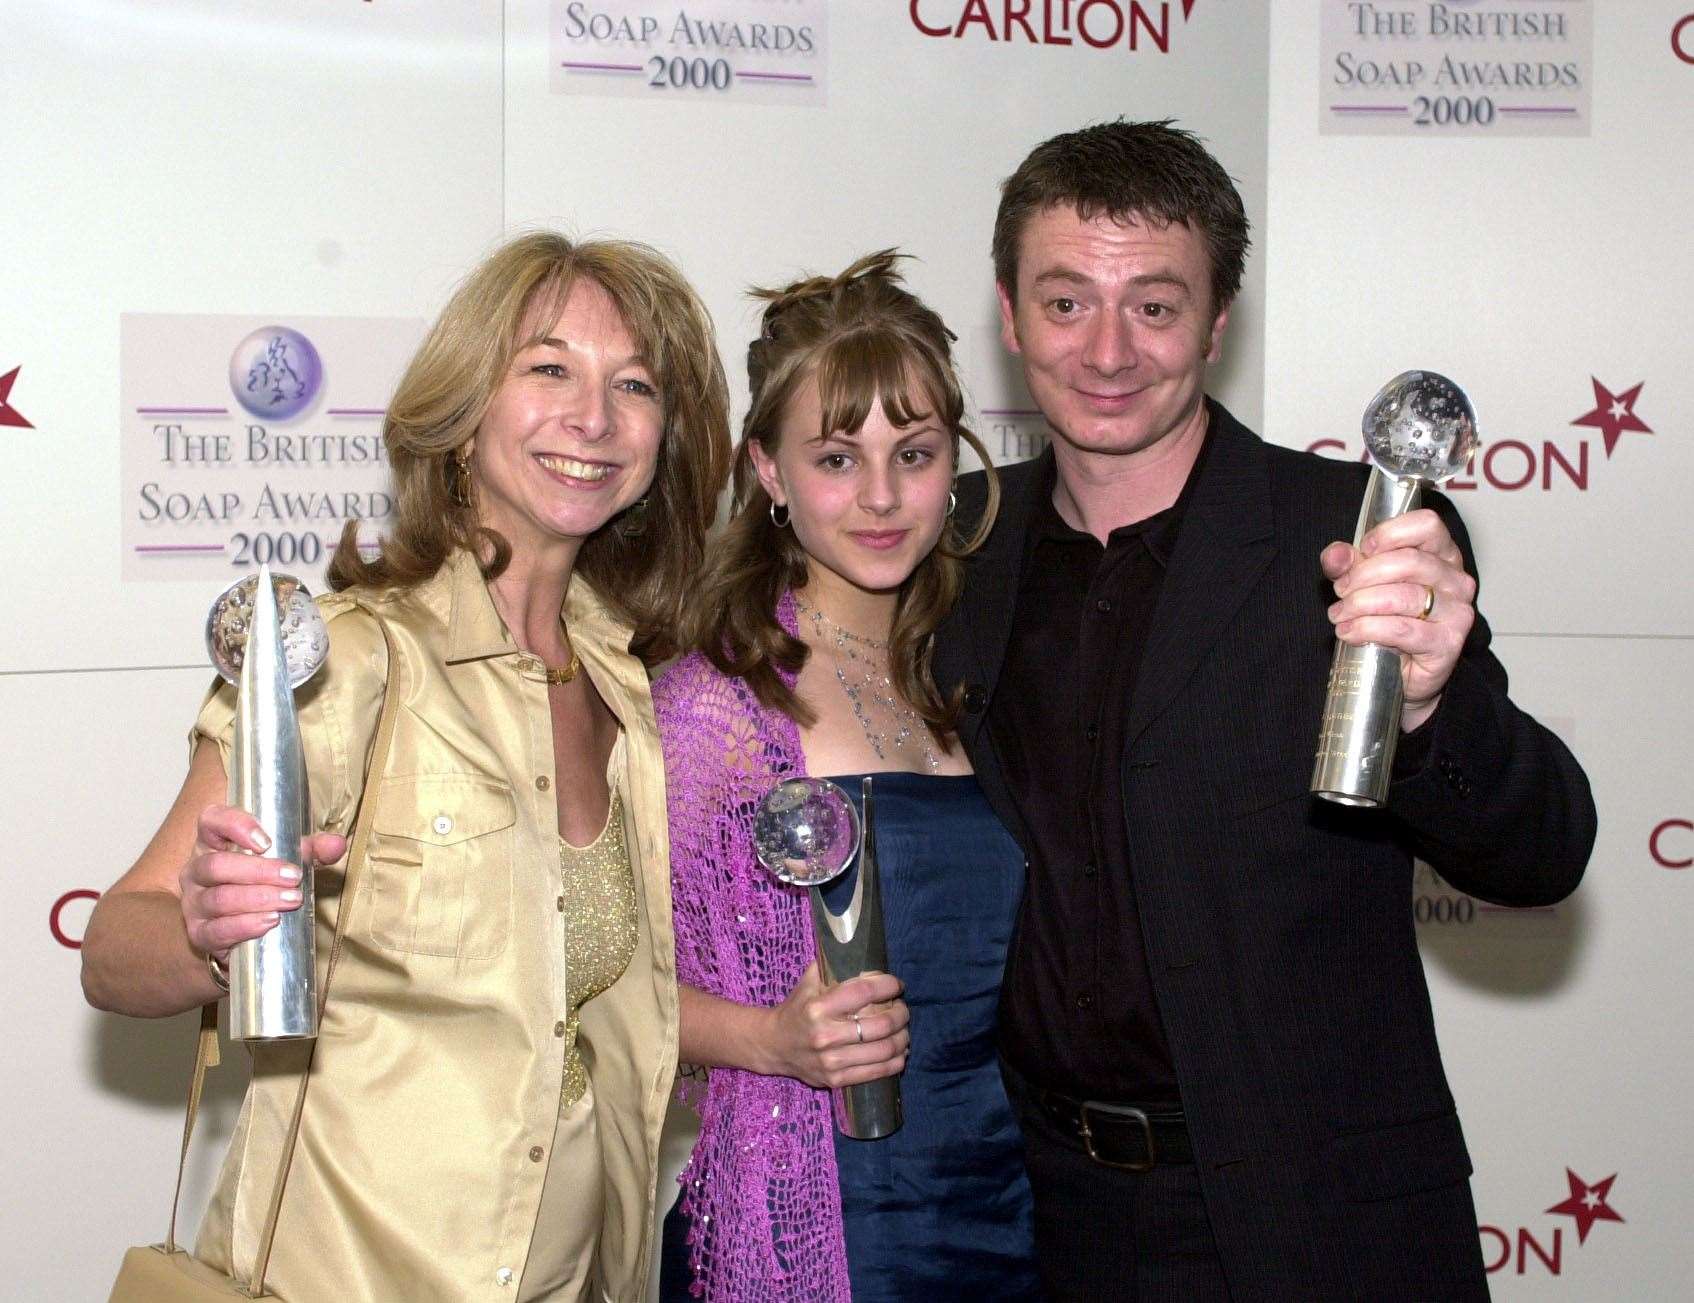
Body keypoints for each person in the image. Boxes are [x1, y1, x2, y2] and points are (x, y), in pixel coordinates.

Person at [931, 120, 1599, 1302]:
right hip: (1032, 1217)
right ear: (1007, 313)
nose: (1105, 348)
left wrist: (1435, 705)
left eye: (1153, 304)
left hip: (1310, 1223)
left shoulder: (1350, 534)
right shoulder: (954, 550)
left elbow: (1540, 848)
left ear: (1217, 320)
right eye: (1065, 300)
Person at [81, 231, 732, 1302]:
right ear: (464, 413)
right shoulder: (342, 658)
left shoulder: (628, 692)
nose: (594, 416)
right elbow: (114, 949)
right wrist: (208, 930)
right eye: (549, 369)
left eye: (634, 384)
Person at [653, 251, 1039, 1302]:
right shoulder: (712, 706)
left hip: (1009, 1212)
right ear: (768, 472)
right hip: (816, 1225)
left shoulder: (969, 672)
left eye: (912, 454)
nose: (880, 496)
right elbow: (591, 981)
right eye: (834, 458)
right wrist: (765, 1038)